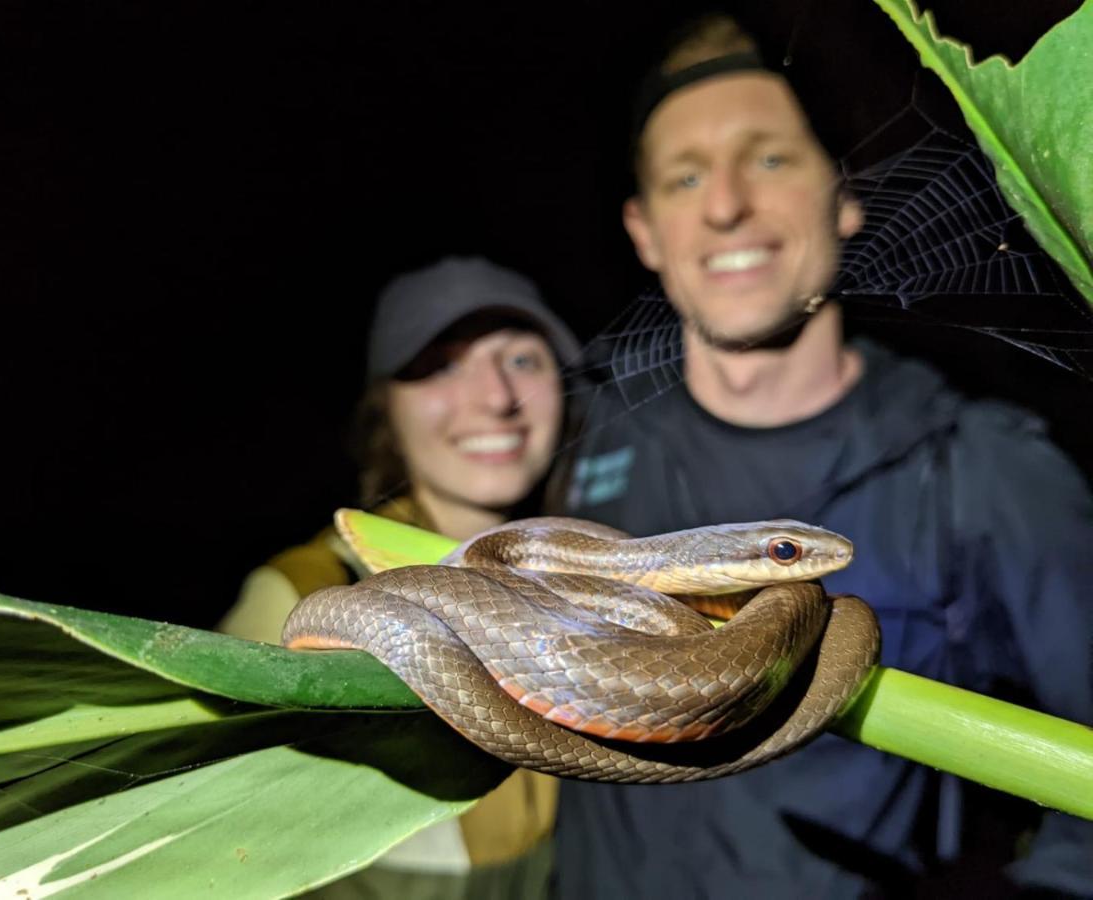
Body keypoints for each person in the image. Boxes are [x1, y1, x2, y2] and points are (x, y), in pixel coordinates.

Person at [554, 13, 1093, 899]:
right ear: (644, 231)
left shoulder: (980, 466)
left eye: (767, 158)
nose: (726, 204)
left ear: (844, 195)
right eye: (685, 177)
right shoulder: (593, 441)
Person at [219, 255, 582, 900]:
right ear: (384, 408)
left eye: (522, 359)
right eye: (440, 365)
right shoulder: (301, 593)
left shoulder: (572, 582)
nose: (497, 398)